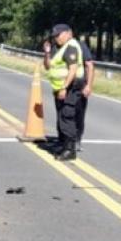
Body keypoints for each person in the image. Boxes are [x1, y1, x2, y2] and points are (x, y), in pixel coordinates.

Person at [42, 24, 85, 160]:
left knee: (67, 116)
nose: (56, 38)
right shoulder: (58, 48)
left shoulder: (71, 46)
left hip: (70, 88)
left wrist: (64, 87)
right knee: (61, 117)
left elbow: (72, 69)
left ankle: (70, 150)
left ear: (67, 33)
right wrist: (47, 52)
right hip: (59, 88)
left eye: (58, 35)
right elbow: (48, 66)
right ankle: (63, 144)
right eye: (54, 36)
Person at [75, 33, 95, 152]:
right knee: (64, 114)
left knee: (79, 114)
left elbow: (89, 65)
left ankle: (77, 139)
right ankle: (66, 139)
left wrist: (88, 85)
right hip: (63, 85)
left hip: (79, 85)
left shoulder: (81, 46)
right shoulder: (58, 47)